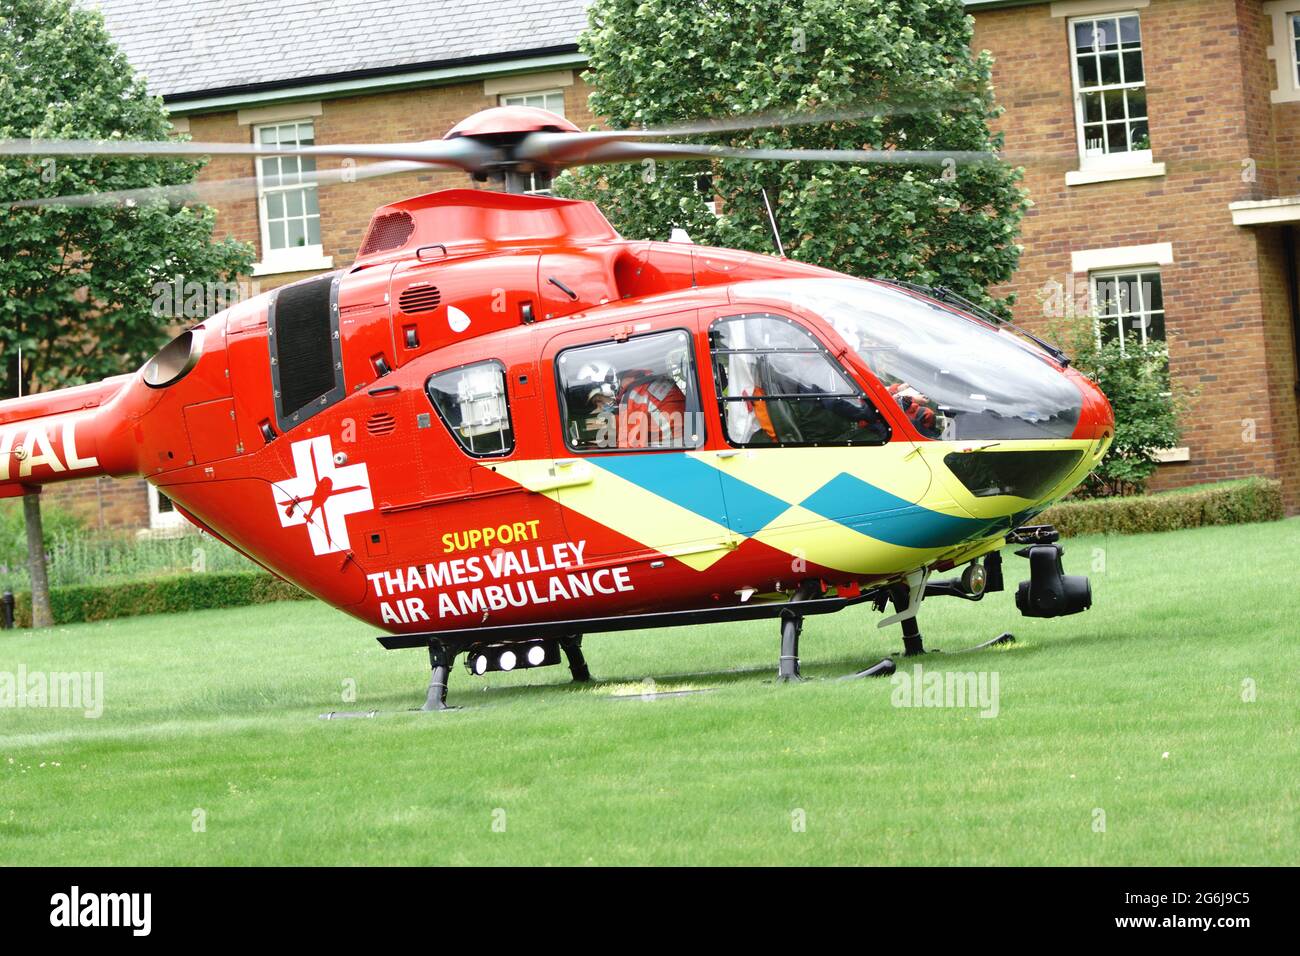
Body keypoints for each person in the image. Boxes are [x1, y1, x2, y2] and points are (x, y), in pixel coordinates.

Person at [616, 368, 687, 448]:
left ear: (626, 377)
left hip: (665, 451)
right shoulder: (661, 382)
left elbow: (630, 444)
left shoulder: (635, 393)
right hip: (683, 442)